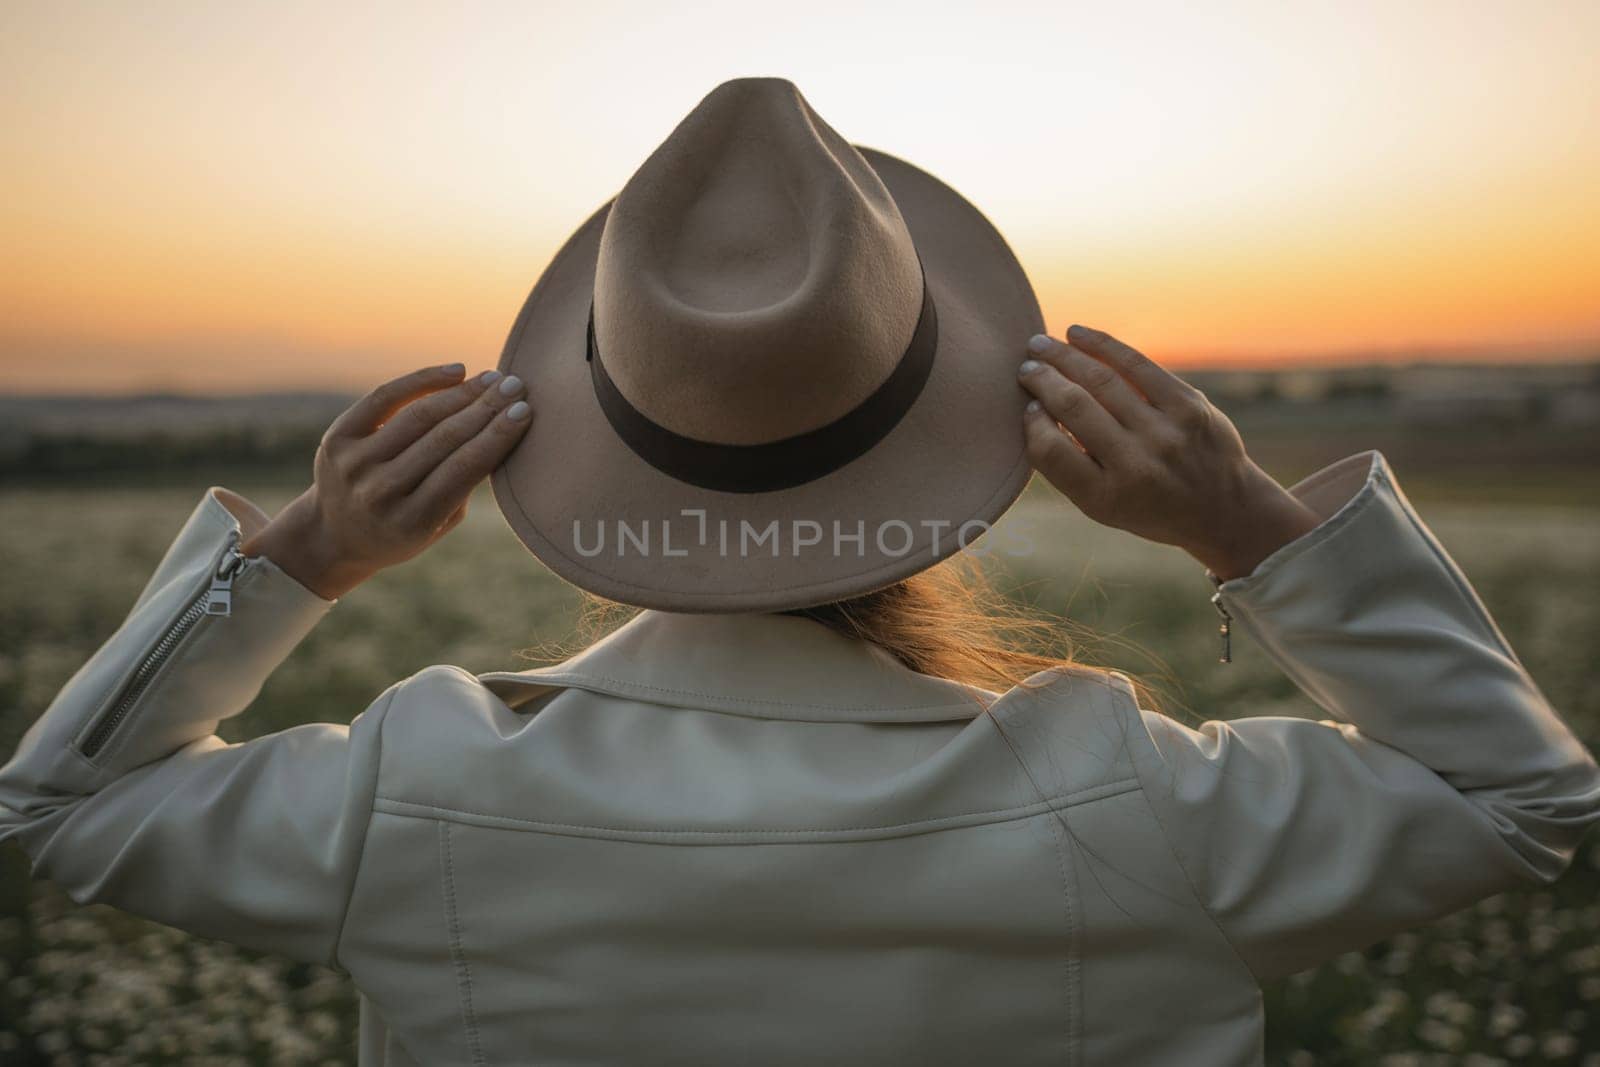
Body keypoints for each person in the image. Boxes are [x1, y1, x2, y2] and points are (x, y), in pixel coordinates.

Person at [2, 77, 1596, 1066]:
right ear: (961, 448)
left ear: (590, 436)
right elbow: (1529, 804)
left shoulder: (410, 797)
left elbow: (60, 808)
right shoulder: (1138, 807)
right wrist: (1241, 519)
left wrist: (307, 554)